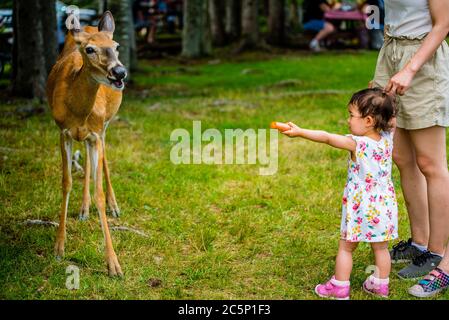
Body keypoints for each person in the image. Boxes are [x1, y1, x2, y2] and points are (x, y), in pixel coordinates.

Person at [280, 88, 398, 299]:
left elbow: (326, 138)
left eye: (352, 115)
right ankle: (380, 285)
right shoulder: (388, 138)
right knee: (381, 248)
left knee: (346, 248)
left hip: (360, 205)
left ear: (369, 120)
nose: (348, 120)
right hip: (384, 206)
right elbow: (392, 119)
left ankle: (340, 286)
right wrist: (389, 100)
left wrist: (300, 132)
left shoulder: (356, 143)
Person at [371, 0, 449, 294]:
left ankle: (437, 252)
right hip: (391, 50)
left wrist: (410, 68)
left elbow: (444, 23)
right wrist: (388, 66)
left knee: (431, 163)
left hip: (423, 60)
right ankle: (419, 243)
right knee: (403, 158)